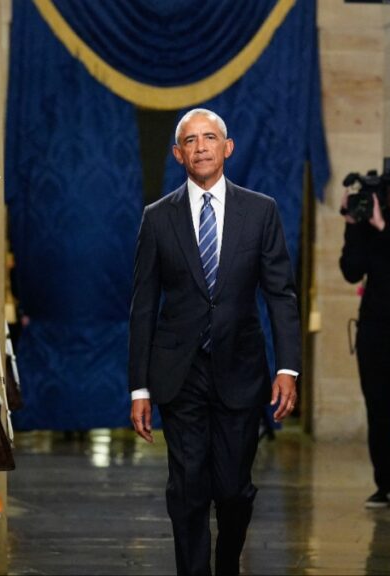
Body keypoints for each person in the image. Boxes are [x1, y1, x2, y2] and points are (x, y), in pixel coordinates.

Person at [128, 108, 301, 575]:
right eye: (190, 140)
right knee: (186, 488)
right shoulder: (157, 218)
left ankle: (228, 563)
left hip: (240, 372)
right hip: (179, 375)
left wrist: (288, 367)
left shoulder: (260, 211)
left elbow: (280, 292)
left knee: (232, 490)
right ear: (178, 153)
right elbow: (143, 305)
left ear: (228, 148)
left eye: (209, 138)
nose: (200, 146)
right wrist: (139, 388)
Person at [339, 157, 390, 508]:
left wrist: (384, 225)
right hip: (377, 326)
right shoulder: (368, 221)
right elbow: (352, 272)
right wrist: (355, 225)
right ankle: (388, 484)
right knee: (379, 409)